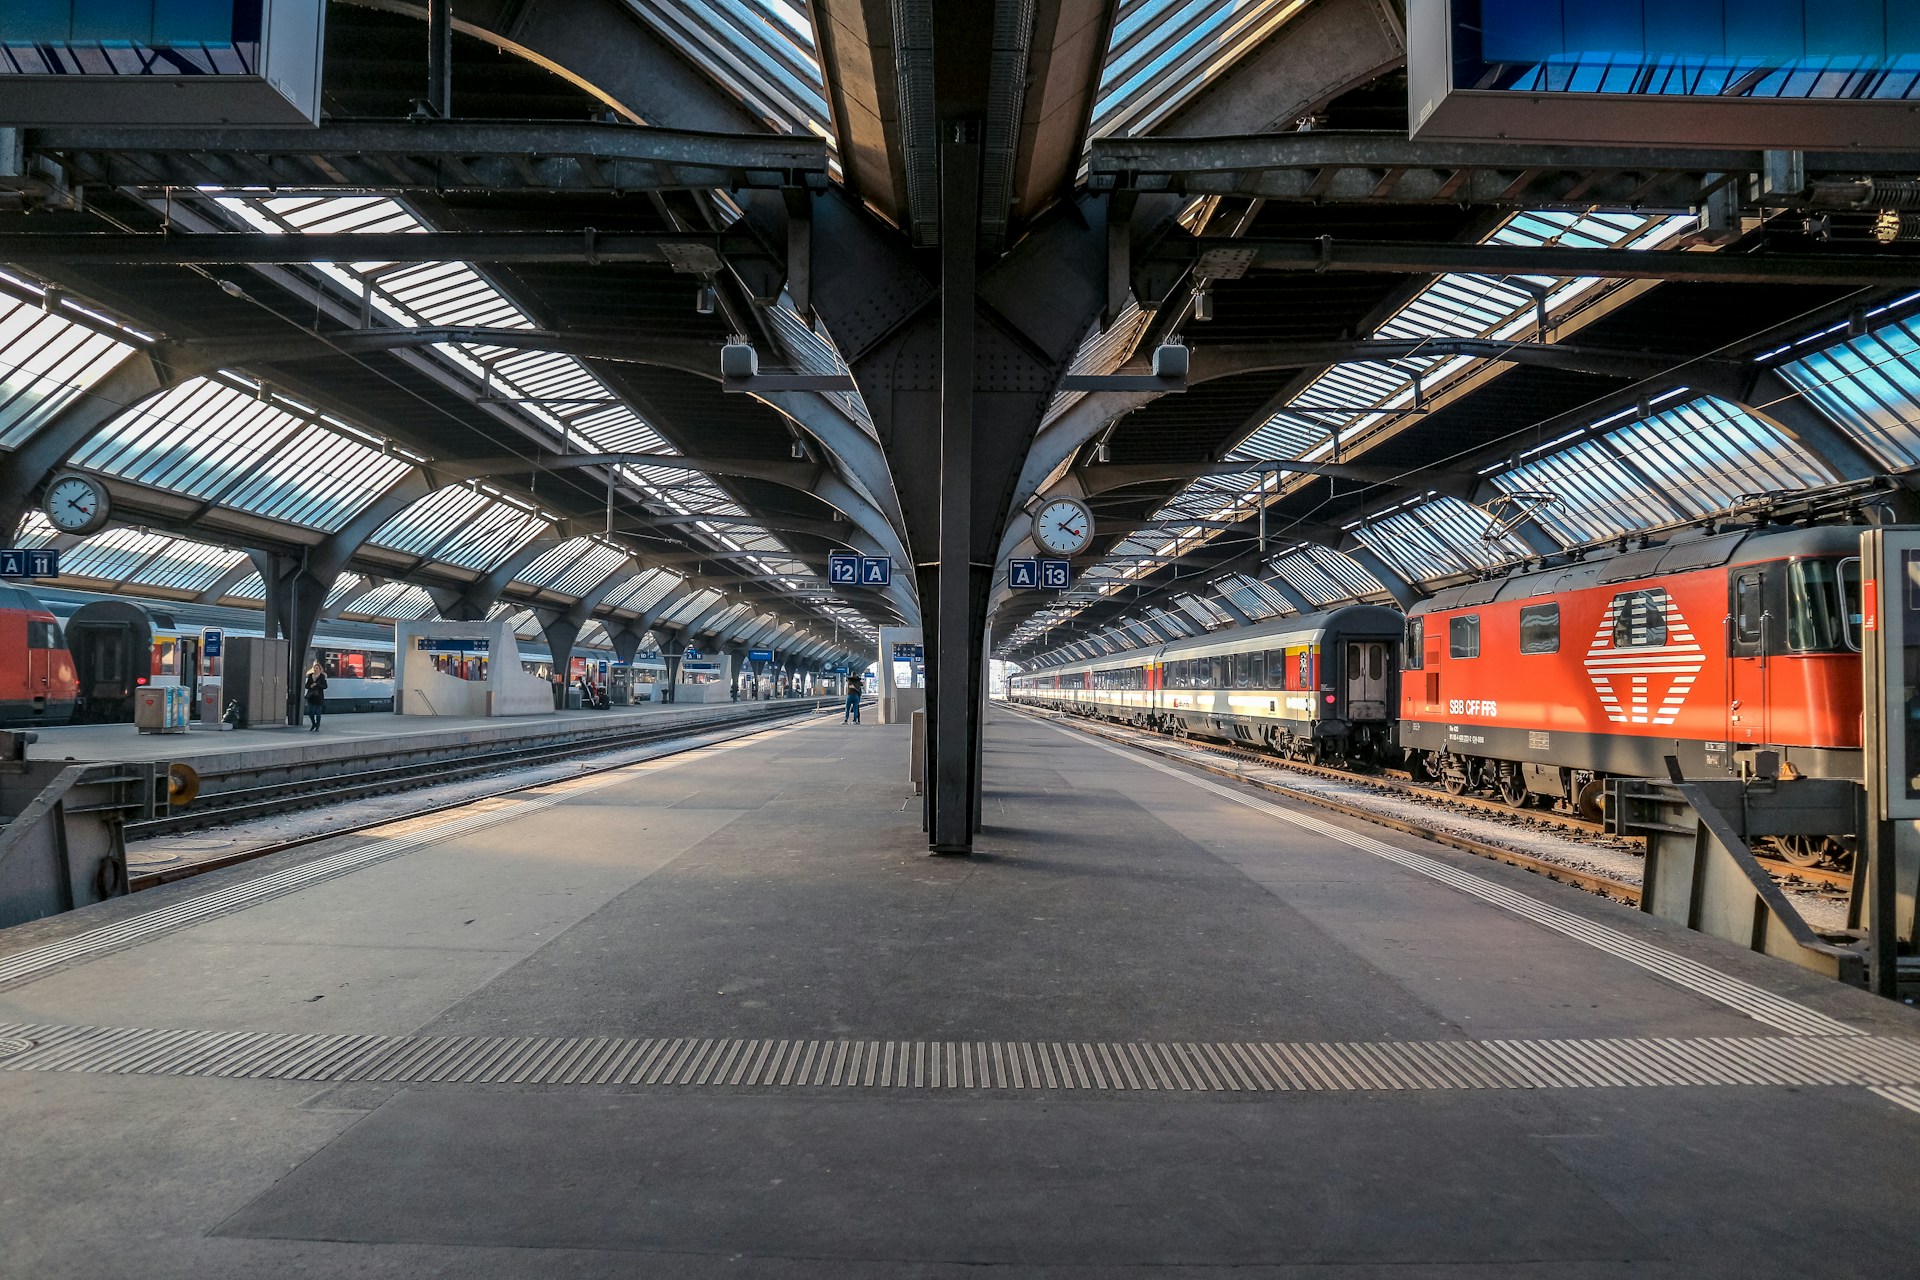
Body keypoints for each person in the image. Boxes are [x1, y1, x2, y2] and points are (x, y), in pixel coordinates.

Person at [302, 660, 328, 732]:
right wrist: (310, 686)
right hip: (311, 696)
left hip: (319, 696)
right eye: (314, 668)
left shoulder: (322, 676)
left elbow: (325, 686)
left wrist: (317, 685)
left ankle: (317, 726)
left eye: (317, 668)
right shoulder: (310, 676)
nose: (315, 669)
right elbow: (306, 685)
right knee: (310, 712)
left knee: (318, 713)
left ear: (320, 669)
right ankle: (314, 724)